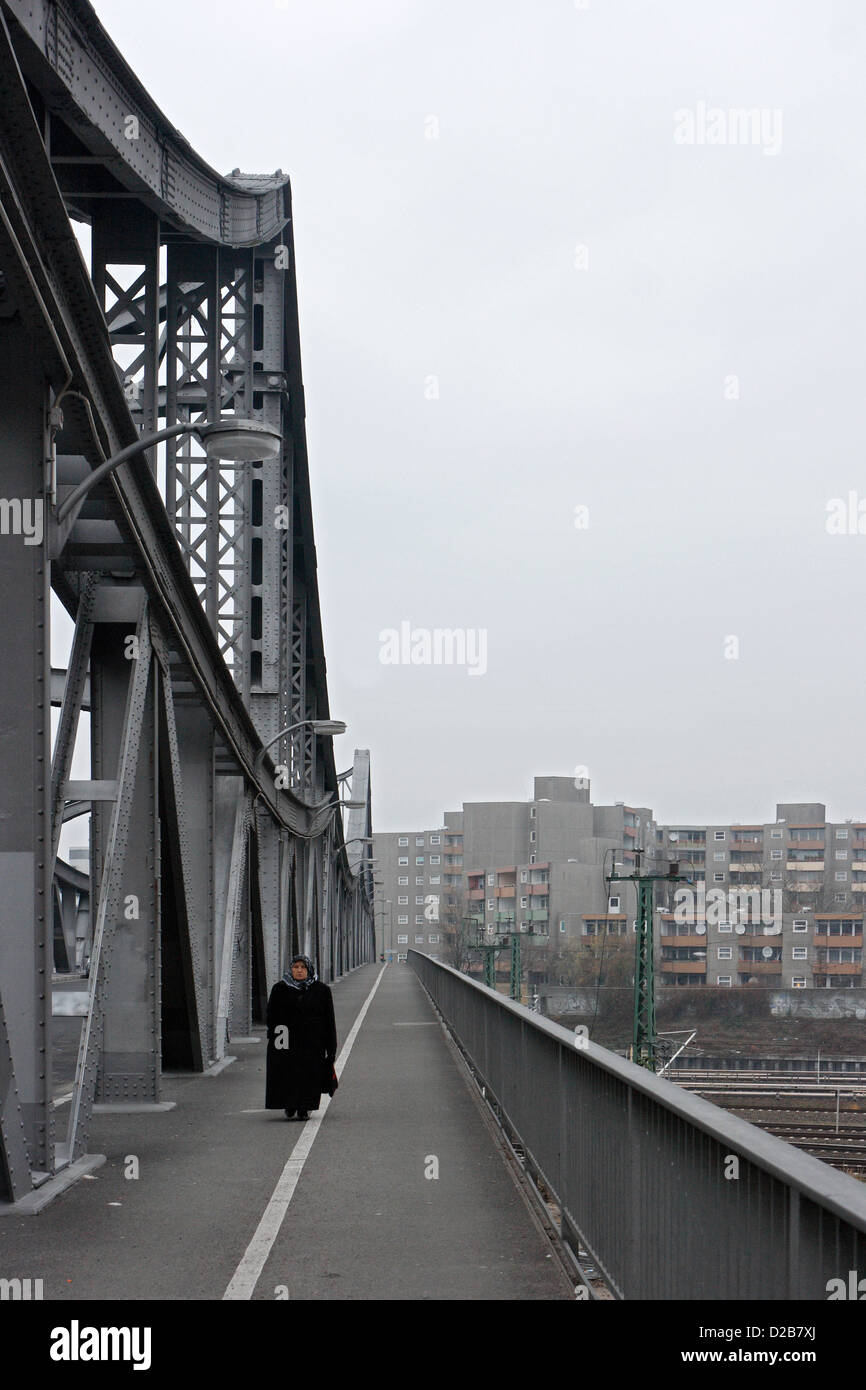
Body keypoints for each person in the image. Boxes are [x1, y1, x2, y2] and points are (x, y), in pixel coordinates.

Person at [265, 954, 337, 1120]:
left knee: (309, 1075)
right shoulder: (280, 989)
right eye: (296, 967)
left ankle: (304, 1107)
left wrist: (331, 1048)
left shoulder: (322, 990)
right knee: (287, 1073)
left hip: (312, 1042)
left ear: (309, 970)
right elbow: (272, 1015)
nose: (299, 971)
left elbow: (328, 1019)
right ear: (291, 969)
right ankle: (289, 1104)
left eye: (303, 968)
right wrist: (274, 1038)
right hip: (286, 1040)